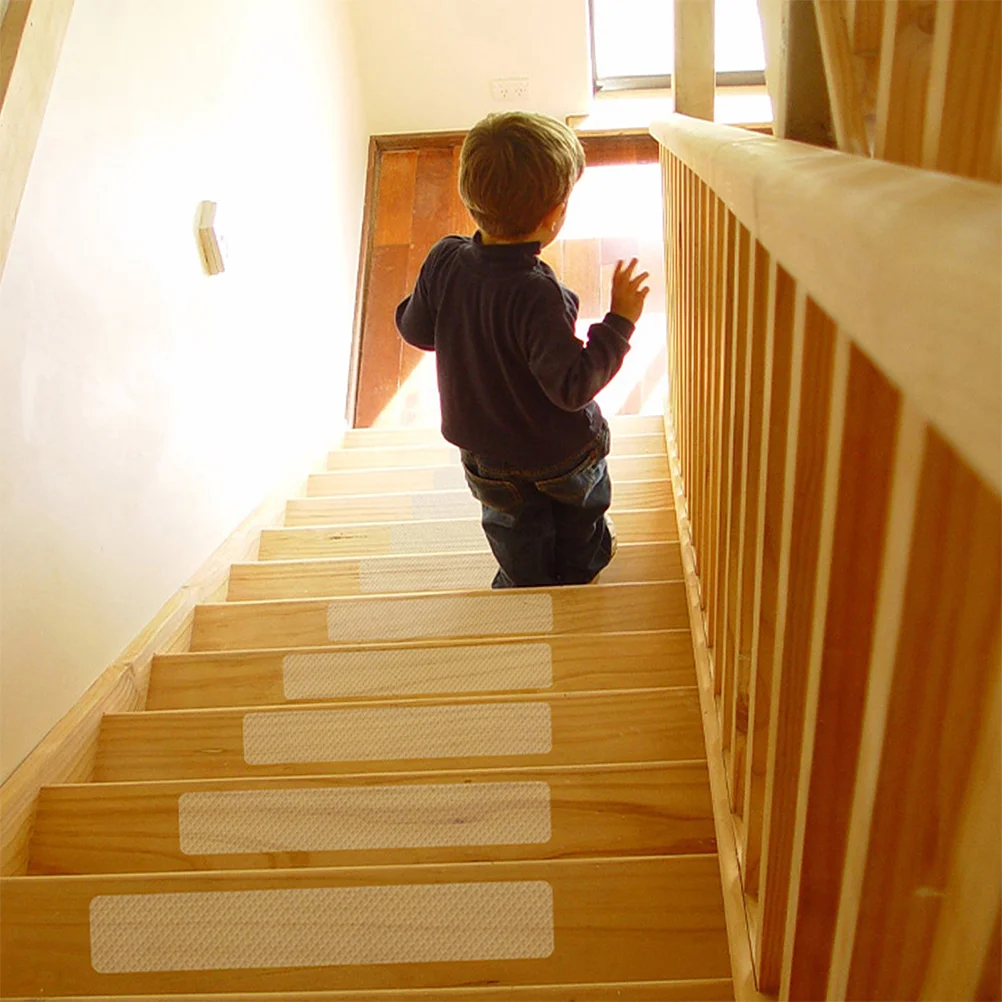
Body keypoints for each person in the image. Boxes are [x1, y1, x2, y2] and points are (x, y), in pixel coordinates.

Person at [395, 110, 649, 589]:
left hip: (486, 453)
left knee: (511, 523)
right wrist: (620, 321)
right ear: (553, 216)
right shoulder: (539, 294)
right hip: (562, 453)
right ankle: (578, 573)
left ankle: (525, 581)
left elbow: (416, 330)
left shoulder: (444, 259)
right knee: (581, 512)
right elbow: (571, 386)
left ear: (470, 196)